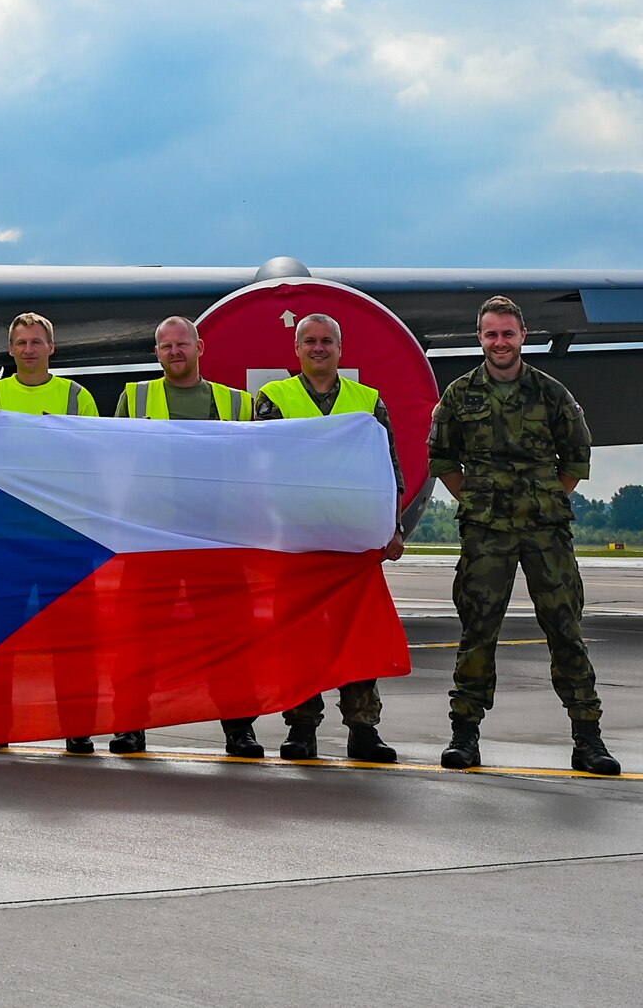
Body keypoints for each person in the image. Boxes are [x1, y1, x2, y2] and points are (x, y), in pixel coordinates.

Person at [428, 296, 619, 775]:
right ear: (480, 338)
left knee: (566, 631)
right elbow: (442, 458)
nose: (499, 342)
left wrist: (546, 495)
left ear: (523, 336)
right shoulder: (459, 394)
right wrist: (473, 497)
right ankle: (464, 735)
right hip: (485, 532)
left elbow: (576, 456)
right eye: (491, 334)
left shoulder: (551, 393)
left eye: (507, 334)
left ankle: (588, 738)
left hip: (545, 531)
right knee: (478, 632)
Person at [109, 316, 265, 759]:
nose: (174, 352)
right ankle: (129, 725)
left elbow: (256, 469)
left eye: (181, 344)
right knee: (138, 639)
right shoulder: (135, 397)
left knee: (229, 637)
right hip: (150, 539)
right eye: (165, 347)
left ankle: (239, 729)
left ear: (200, 346)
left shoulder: (237, 403)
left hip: (215, 540)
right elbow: (116, 459)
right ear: (156, 352)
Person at [253, 312, 405, 764]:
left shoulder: (368, 400)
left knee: (356, 636)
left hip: (352, 544)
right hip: (296, 543)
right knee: (299, 638)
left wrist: (392, 527)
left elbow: (389, 468)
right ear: (296, 350)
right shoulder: (273, 398)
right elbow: (260, 469)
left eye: (327, 341)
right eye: (310, 342)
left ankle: (364, 730)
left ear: (341, 349)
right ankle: (301, 728)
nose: (318, 348)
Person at [0, 312, 101, 754]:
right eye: (21, 342)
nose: (29, 349)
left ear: (52, 348)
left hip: (62, 539)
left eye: (36, 342)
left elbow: (92, 460)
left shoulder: (76, 396)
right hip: (4, 539)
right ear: (10, 349)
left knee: (71, 642)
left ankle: (77, 727)